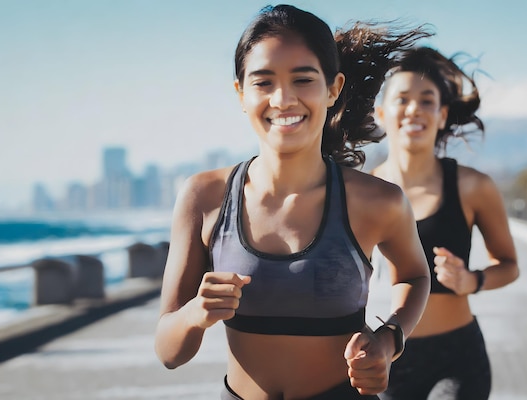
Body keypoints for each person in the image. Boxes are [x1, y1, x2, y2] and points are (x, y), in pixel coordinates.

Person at [155, 5, 433, 399]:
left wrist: (389, 340)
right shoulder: (203, 197)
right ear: (240, 93)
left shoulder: (377, 201)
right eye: (263, 82)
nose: (283, 99)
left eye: (303, 79)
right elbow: (169, 353)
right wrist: (194, 314)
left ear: (333, 88)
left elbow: (415, 275)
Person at [371, 47, 520, 400]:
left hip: (457, 358)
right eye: (402, 99)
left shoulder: (473, 186)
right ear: (380, 113)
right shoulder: (362, 194)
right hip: (386, 360)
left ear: (442, 115)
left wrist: (472, 280)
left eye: (427, 101)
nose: (414, 110)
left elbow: (510, 266)